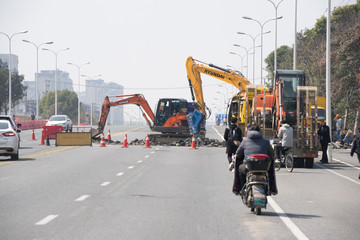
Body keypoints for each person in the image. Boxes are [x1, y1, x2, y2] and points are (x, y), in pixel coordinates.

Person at [233, 124, 278, 195]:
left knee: (240, 168)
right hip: (264, 168)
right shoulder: (266, 141)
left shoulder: (245, 141)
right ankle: (271, 188)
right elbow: (272, 155)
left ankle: (242, 188)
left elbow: (238, 154)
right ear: (259, 132)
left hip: (249, 168)